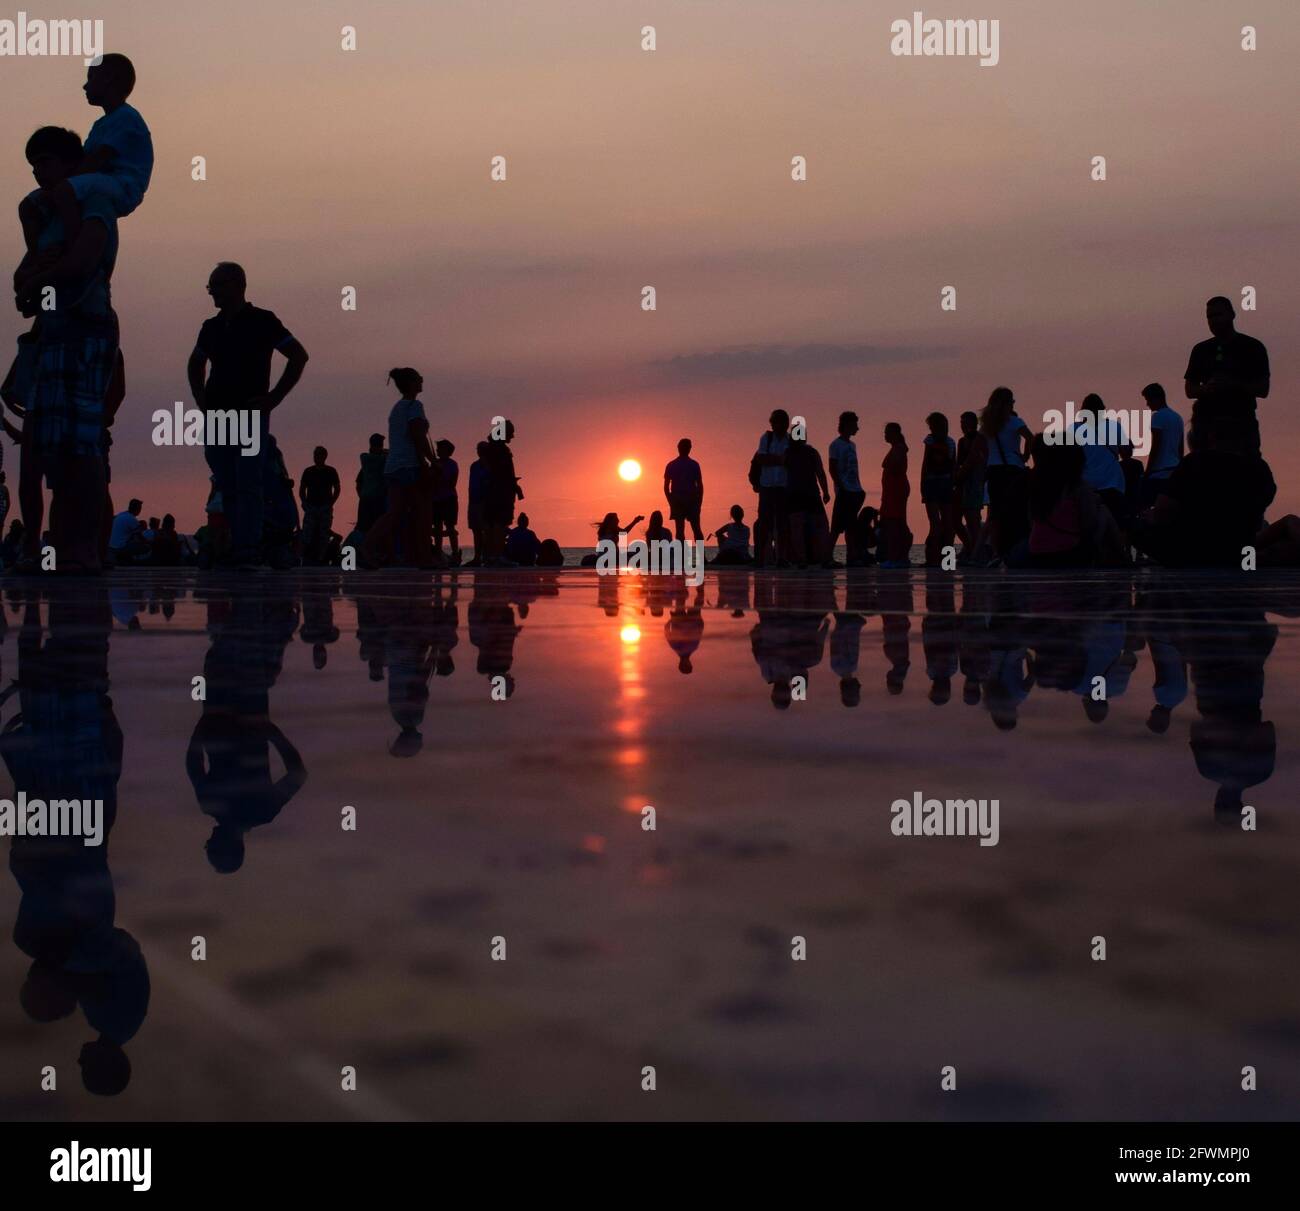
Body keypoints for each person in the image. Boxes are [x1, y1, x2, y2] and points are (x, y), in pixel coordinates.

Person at [12, 127, 123, 573]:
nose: (39, 171)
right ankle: (63, 547)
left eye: (47, 161)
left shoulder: (95, 204)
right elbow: (24, 279)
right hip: (55, 335)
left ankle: (85, 549)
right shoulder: (48, 215)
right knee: (57, 450)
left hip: (86, 331)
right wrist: (31, 284)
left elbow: (81, 262)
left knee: (81, 447)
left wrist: (38, 281)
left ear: (71, 165)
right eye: (34, 163)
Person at [187, 262, 309, 569]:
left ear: (236, 285)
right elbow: (195, 363)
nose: (211, 291)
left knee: (250, 482)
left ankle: (248, 547)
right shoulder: (210, 327)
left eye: (216, 285)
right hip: (218, 416)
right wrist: (201, 398)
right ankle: (235, 545)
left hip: (250, 414)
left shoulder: (262, 321)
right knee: (227, 481)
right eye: (209, 286)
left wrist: (274, 398)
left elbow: (298, 355)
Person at [18, 54, 152, 263]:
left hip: (122, 185)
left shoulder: (127, 118)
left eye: (91, 78)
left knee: (63, 191)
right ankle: (36, 255)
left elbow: (96, 160)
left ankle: (71, 249)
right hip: (100, 181)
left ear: (108, 79)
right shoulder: (101, 124)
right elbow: (85, 161)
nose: (84, 86)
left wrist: (59, 188)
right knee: (29, 204)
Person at [1132, 400, 1276, 568]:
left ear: (1211, 436)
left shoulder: (1194, 463)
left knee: (1136, 526)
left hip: (1194, 554)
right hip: (1240, 553)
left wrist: (1153, 516)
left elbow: (1164, 511)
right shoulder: (1260, 468)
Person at [361, 368, 434, 569]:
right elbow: (417, 437)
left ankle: (366, 547)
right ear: (411, 383)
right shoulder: (414, 406)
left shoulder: (397, 408)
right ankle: (425, 558)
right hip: (409, 466)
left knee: (394, 513)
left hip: (392, 466)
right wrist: (429, 462)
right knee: (423, 511)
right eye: (419, 378)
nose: (422, 380)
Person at [1184, 296, 1269, 454]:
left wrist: (1232, 385)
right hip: (1208, 427)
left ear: (1232, 314)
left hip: (1241, 426)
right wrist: (1207, 389)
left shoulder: (1252, 348)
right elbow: (1189, 390)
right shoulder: (1201, 350)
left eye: (1218, 315)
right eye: (1209, 317)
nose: (1213, 321)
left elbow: (1263, 389)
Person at [980, 386, 1032, 560]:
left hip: (993, 470)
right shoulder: (1015, 422)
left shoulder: (986, 424)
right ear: (1008, 403)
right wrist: (1025, 455)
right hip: (1013, 469)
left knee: (995, 513)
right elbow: (1031, 438)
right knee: (1015, 510)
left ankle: (996, 551)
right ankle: (1015, 547)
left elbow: (981, 448)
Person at [1074, 393, 1129, 528]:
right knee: (1115, 526)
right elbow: (1126, 454)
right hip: (1112, 483)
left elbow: (1072, 458)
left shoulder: (1075, 429)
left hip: (1087, 485)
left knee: (1088, 527)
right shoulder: (1114, 427)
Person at [785, 433, 832, 566]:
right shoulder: (806, 452)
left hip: (802, 494)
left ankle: (806, 558)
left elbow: (820, 473)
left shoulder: (790, 453)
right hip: (805, 494)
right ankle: (818, 557)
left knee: (801, 527)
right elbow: (820, 473)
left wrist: (826, 492)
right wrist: (826, 492)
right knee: (816, 526)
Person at [751, 410, 790, 568]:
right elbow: (761, 458)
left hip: (783, 486)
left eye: (781, 422)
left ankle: (781, 558)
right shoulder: (766, 438)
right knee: (764, 524)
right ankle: (760, 558)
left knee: (782, 524)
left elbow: (791, 460)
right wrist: (780, 459)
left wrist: (774, 459)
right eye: (775, 422)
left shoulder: (790, 440)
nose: (778, 426)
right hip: (767, 486)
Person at [920, 411, 957, 565]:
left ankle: (933, 559)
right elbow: (953, 465)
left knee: (935, 523)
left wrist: (922, 483)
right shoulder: (951, 442)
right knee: (948, 523)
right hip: (946, 483)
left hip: (932, 483)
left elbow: (925, 463)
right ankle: (947, 560)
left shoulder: (929, 440)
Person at [828, 412, 865, 564]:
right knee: (837, 525)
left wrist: (859, 487)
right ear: (847, 424)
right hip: (844, 490)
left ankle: (852, 556)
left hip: (855, 490)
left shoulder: (852, 445)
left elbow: (854, 468)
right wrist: (841, 486)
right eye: (855, 424)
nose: (857, 427)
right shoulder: (836, 445)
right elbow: (832, 468)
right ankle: (827, 556)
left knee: (851, 525)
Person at [1140, 382, 1183, 508]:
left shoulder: (1158, 417)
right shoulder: (1177, 418)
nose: (1147, 404)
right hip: (1174, 471)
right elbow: (1180, 448)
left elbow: (1156, 445)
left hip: (1159, 473)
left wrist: (1147, 471)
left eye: (1148, 400)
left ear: (1156, 398)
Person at [953, 410, 987, 562]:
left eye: (965, 422)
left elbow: (979, 460)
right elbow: (959, 463)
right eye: (961, 422)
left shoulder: (980, 439)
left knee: (973, 518)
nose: (963, 425)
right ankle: (970, 548)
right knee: (959, 518)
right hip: (963, 483)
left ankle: (977, 552)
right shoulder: (962, 441)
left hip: (975, 481)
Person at [298, 446, 340, 564]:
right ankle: (300, 557)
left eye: (319, 454)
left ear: (325, 456)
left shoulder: (331, 471)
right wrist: (304, 503)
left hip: (325, 507)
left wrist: (331, 503)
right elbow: (302, 489)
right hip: (311, 507)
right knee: (306, 533)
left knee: (324, 533)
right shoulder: (308, 471)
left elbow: (337, 489)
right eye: (315, 454)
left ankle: (321, 558)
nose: (317, 457)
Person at [878, 423, 911, 567]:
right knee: (896, 523)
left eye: (887, 432)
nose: (885, 435)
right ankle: (899, 557)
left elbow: (896, 466)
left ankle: (895, 557)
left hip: (896, 490)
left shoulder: (899, 448)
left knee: (894, 523)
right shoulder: (897, 448)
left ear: (895, 434)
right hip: (892, 490)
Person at [663, 437, 704, 542]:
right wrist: (671, 501)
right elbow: (666, 487)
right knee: (690, 531)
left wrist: (699, 503)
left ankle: (686, 557)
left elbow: (700, 485)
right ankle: (692, 557)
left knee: (686, 531)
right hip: (683, 500)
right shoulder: (693, 464)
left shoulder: (675, 465)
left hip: (687, 500)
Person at [431, 439, 460, 565]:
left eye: (440, 448)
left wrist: (439, 472)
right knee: (437, 527)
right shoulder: (435, 463)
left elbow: (451, 483)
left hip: (449, 499)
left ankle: (455, 553)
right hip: (436, 499)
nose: (437, 450)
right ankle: (438, 553)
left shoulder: (452, 464)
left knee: (450, 527)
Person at [355, 433, 387, 533]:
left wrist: (362, 495)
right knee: (375, 528)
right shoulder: (380, 459)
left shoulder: (365, 459)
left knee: (363, 528)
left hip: (366, 498)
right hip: (377, 499)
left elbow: (358, 484)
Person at [465, 440, 491, 566]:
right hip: (474, 501)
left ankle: (485, 557)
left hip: (485, 502)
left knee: (486, 530)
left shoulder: (491, 465)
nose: (479, 451)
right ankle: (477, 557)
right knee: (476, 530)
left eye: (481, 449)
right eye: (478, 449)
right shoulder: (474, 465)